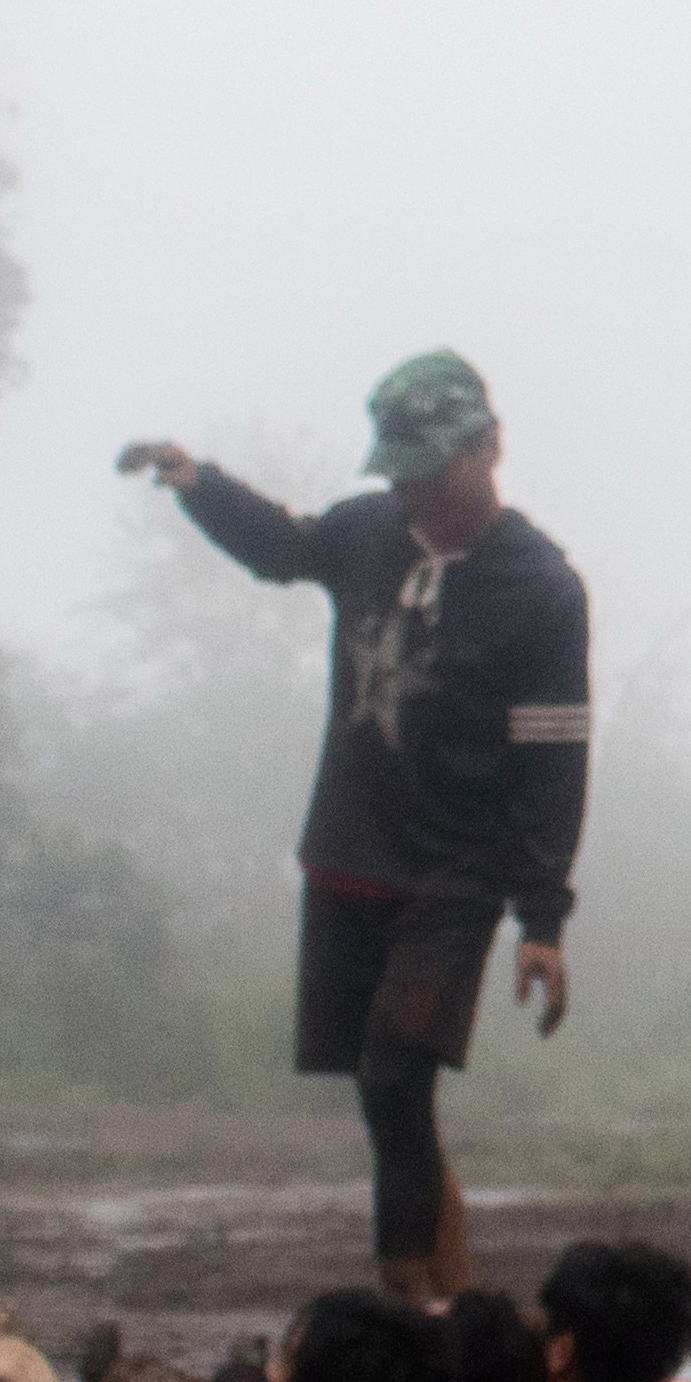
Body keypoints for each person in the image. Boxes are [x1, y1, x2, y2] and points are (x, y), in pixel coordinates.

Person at [116, 351, 591, 1300]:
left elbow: (553, 764)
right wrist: (197, 484)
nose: (414, 493)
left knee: (392, 1082)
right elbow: (283, 547)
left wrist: (541, 921)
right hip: (349, 855)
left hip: (457, 876)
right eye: (400, 473)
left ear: (488, 447)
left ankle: (405, 1302)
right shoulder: (369, 531)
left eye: (433, 471)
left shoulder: (541, 589)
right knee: (390, 1104)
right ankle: (455, 1302)